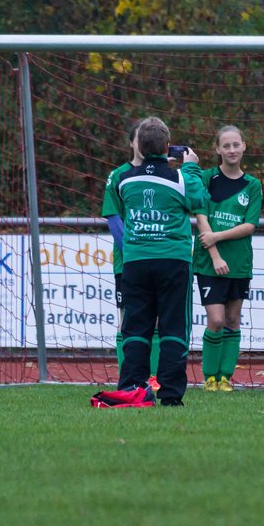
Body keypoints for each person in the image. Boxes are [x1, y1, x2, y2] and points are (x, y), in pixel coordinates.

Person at [112, 117, 209, 406]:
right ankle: (170, 395)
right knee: (173, 326)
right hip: (172, 261)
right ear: (169, 147)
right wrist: (190, 165)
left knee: (136, 326)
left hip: (136, 262)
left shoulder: (125, 179)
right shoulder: (181, 177)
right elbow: (199, 199)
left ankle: (132, 387)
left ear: (138, 146)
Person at [193, 125, 262, 393]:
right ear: (218, 149)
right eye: (226, 146)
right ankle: (210, 377)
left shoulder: (253, 185)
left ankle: (225, 378)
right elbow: (202, 218)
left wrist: (217, 238)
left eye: (236, 145)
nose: (232, 150)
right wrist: (214, 253)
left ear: (244, 146)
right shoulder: (207, 178)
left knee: (233, 319)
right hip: (210, 263)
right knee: (217, 320)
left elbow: (249, 226)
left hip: (239, 263)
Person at [101, 119, 160, 381]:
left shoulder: (161, 173)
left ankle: (155, 377)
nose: (142, 143)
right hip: (128, 262)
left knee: (157, 320)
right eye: (138, 139)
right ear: (132, 143)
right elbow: (113, 218)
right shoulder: (118, 175)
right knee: (128, 319)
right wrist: (132, 250)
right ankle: (128, 375)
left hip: (158, 259)